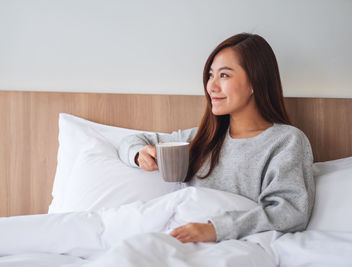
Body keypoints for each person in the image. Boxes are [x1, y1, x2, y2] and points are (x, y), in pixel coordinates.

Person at [118, 33, 315, 244]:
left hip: (229, 248)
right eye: (211, 75)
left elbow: (291, 211)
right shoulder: (200, 139)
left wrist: (215, 229)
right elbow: (130, 141)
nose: (211, 86)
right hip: (177, 239)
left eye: (224, 75)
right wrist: (138, 154)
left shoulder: (286, 141)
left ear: (254, 82)